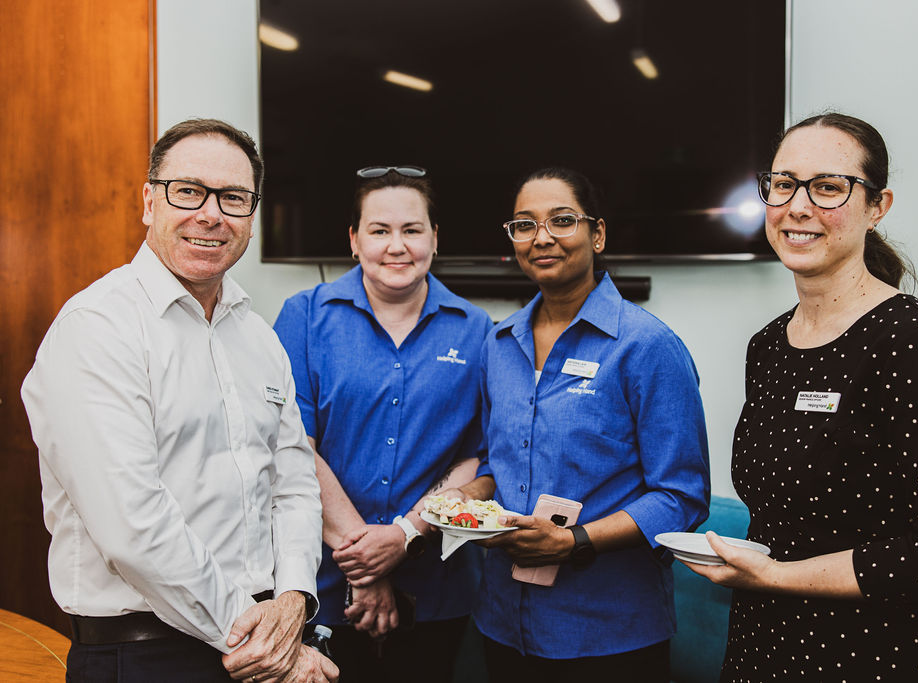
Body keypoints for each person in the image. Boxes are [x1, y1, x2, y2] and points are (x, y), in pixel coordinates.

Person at [682, 113, 918, 682]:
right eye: (783, 184)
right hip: (763, 649)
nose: (797, 207)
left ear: (877, 206)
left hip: (880, 659)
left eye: (828, 187)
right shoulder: (768, 347)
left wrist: (775, 576)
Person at [20, 118, 338, 683]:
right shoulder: (97, 328)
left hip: (262, 637)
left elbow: (292, 484)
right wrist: (264, 643)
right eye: (188, 191)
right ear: (149, 202)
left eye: (234, 198)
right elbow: (133, 524)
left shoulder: (259, 337)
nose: (211, 214)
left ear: (252, 214)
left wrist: (294, 601)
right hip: (141, 656)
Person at [445, 167, 710, 682]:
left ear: (598, 234)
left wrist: (576, 541)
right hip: (503, 623)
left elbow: (682, 495)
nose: (541, 237)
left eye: (561, 220)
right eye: (524, 225)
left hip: (608, 634)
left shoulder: (646, 346)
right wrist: (467, 499)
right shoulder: (498, 345)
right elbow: (497, 461)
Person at [273, 166, 493, 682]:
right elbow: (291, 447)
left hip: (436, 588)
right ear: (354, 240)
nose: (397, 246)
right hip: (319, 587)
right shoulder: (303, 317)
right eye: (379, 230)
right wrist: (365, 561)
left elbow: (478, 458)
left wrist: (403, 536)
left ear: (435, 239)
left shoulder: (478, 330)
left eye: (412, 230)